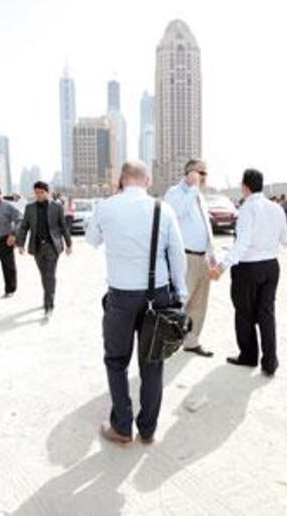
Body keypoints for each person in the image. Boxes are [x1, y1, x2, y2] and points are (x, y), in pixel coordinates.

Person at [86, 161, 187, 445]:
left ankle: (122, 426)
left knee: (116, 361)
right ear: (148, 180)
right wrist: (181, 293)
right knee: (152, 362)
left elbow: (92, 240)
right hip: (158, 295)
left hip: (120, 296)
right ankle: (148, 429)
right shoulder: (162, 209)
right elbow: (177, 256)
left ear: (121, 180)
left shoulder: (105, 207)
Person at [208, 168, 287, 376]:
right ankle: (270, 362)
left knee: (244, 313)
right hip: (271, 265)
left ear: (245, 187)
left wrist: (222, 266)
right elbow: (285, 238)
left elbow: (242, 243)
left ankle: (249, 356)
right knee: (267, 314)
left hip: (248, 268)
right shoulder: (276, 208)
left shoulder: (247, 209)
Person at [164, 159, 215, 358]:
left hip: (202, 257)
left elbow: (205, 225)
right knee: (180, 302)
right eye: (201, 173)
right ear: (190, 173)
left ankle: (192, 341)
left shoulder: (199, 196)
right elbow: (176, 214)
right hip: (185, 257)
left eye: (205, 174)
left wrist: (211, 253)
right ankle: (168, 341)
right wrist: (192, 188)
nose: (204, 178)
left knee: (200, 303)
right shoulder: (174, 193)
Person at [16, 181, 73, 316]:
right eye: (36, 192)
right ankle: (48, 297)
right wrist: (21, 244)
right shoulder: (30, 208)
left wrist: (69, 244)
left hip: (52, 246)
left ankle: (49, 304)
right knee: (43, 275)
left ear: (47, 192)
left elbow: (63, 226)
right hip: (37, 247)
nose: (39, 195)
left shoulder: (56, 206)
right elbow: (24, 226)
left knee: (50, 275)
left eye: (42, 192)